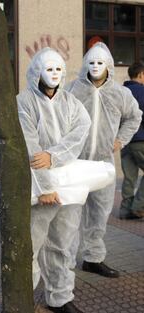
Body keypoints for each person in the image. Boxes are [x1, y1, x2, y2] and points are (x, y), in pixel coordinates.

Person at [18, 48, 90, 313]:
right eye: (49, 69)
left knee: (63, 244)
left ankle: (60, 298)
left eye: (59, 69)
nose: (55, 74)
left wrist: (53, 155)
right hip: (39, 187)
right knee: (32, 246)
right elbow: (29, 145)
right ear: (37, 70)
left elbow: (80, 132)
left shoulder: (71, 102)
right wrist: (45, 186)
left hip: (68, 185)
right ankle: (22, 301)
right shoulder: (24, 101)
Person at [66, 42, 142, 278]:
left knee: (99, 214)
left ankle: (93, 258)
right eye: (92, 62)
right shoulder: (72, 89)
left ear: (108, 66)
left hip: (103, 164)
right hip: (76, 163)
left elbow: (134, 116)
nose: (96, 66)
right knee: (70, 217)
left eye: (100, 63)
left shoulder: (120, 93)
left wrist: (121, 140)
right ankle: (65, 262)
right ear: (85, 64)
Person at [119, 62, 144, 220]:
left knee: (129, 176)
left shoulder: (121, 91)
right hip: (141, 139)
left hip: (123, 141)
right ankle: (138, 207)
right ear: (141, 74)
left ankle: (125, 210)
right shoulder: (142, 91)